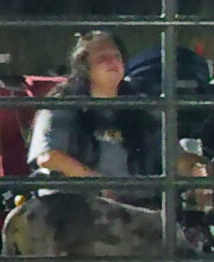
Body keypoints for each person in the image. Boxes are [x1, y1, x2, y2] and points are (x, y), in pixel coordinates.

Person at [33, 30, 165, 197]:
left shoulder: (142, 107)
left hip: (136, 214)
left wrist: (196, 171)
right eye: (102, 58)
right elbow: (47, 156)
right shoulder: (62, 104)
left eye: (116, 56)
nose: (112, 62)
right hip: (77, 212)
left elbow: (174, 157)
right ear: (84, 67)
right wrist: (93, 181)